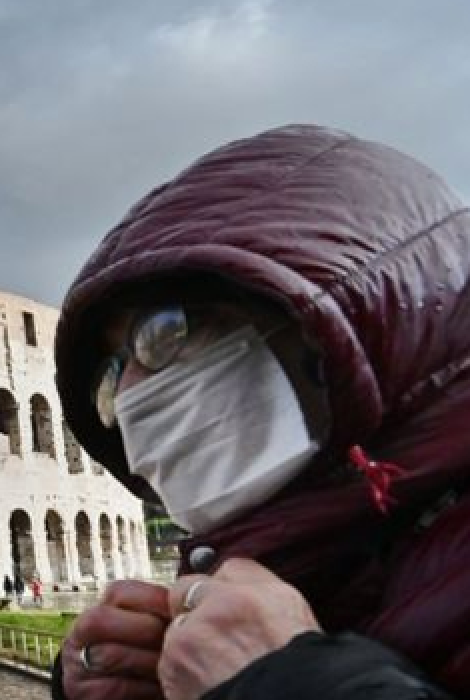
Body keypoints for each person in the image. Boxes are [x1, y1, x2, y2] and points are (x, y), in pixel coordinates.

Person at [49, 124, 469, 699]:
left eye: (163, 330)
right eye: (110, 374)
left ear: (332, 322)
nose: (126, 400)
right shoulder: (302, 564)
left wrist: (288, 684)